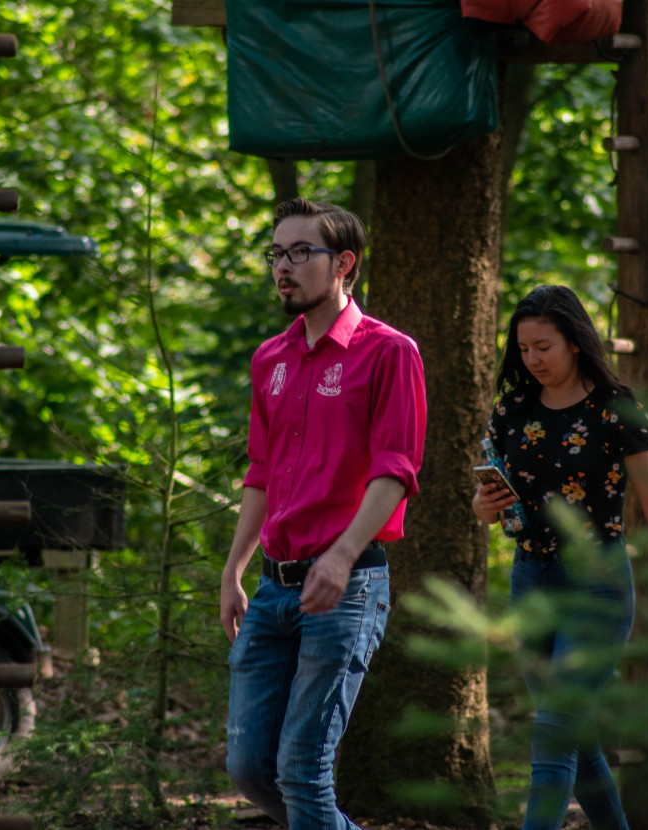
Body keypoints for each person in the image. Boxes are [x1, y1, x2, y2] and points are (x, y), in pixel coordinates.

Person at [220, 197, 427, 830]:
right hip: (272, 590)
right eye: (276, 254)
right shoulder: (270, 360)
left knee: (302, 769)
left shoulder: (389, 353)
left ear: (344, 264)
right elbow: (260, 472)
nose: (283, 267)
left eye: (300, 253)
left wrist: (340, 555)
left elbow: (396, 472)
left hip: (347, 583)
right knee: (249, 768)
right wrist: (233, 571)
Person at [471, 284, 648, 830]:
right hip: (530, 581)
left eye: (543, 346)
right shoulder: (512, 408)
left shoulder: (616, 410)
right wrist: (484, 504)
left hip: (597, 585)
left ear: (575, 342)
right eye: (523, 349)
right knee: (575, 737)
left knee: (553, 737)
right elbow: (488, 510)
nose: (532, 359)